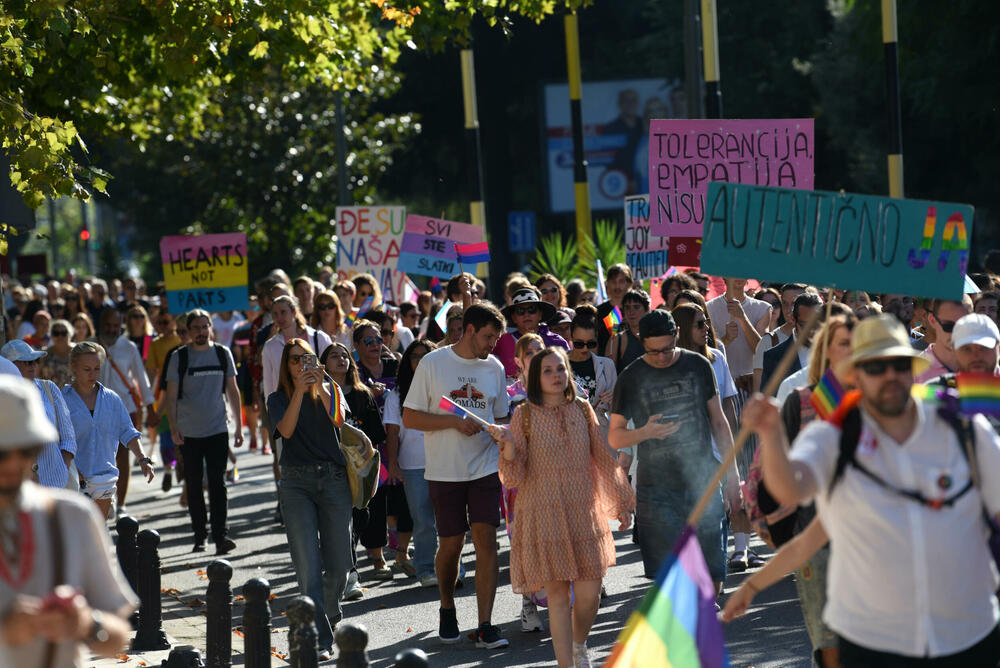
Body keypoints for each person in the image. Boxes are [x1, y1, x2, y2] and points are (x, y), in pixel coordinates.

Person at [745, 313, 1000, 664]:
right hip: (874, 638)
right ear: (857, 376)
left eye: (898, 364)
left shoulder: (966, 427)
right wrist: (771, 435)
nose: (890, 376)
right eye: (877, 367)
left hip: (967, 632)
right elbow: (791, 490)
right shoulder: (833, 435)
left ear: (912, 370)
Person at [488, 348, 635, 668]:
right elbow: (514, 474)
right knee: (556, 595)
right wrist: (508, 445)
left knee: (589, 595)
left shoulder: (582, 409)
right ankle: (567, 663)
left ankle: (578, 644)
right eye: (548, 371)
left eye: (560, 369)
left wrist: (621, 500)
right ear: (535, 379)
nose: (556, 376)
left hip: (583, 511)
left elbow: (602, 458)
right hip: (543, 512)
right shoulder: (523, 414)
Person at [0, 376, 137, 667]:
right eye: (2, 453)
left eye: (25, 450)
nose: (13, 463)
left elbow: (118, 638)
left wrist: (88, 623)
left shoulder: (72, 516)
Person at [607, 310, 741, 591]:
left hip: (701, 478)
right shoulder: (631, 377)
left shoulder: (698, 365)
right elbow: (616, 437)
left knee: (713, 576)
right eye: (653, 351)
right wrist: (646, 432)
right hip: (656, 487)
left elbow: (719, 421)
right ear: (642, 343)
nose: (662, 357)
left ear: (677, 335)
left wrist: (732, 477)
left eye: (668, 348)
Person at [403, 303, 511, 649]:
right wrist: (452, 421)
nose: (493, 344)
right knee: (451, 545)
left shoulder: (494, 367)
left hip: (485, 466)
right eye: (488, 336)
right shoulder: (434, 363)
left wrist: (502, 432)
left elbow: (502, 418)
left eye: (496, 337)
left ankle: (485, 624)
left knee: (487, 541)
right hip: (444, 470)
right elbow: (410, 418)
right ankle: (447, 607)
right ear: (469, 330)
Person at [267, 338, 352, 662]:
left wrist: (321, 387)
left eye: (308, 358)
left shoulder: (330, 387)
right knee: (308, 568)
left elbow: (339, 420)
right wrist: (301, 392)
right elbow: (286, 431)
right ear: (286, 367)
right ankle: (320, 639)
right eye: (295, 360)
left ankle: (327, 613)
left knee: (341, 566)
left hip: (333, 480)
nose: (302, 364)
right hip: (296, 483)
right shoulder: (278, 398)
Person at [164, 309, 243, 554]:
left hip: (217, 428)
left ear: (211, 328)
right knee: (194, 484)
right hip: (189, 432)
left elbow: (232, 390)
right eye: (195, 328)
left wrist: (239, 426)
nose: (200, 332)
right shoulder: (180, 357)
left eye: (204, 326)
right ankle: (200, 536)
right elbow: (171, 395)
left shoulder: (222, 353)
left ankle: (221, 536)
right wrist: (174, 427)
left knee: (219, 484)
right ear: (188, 332)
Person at [323, 341, 396, 583]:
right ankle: (349, 572)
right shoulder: (320, 395)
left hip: (361, 467)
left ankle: (377, 556)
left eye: (344, 355)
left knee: (366, 515)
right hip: (332, 467)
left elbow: (376, 434)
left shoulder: (362, 394)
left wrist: (366, 463)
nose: (341, 359)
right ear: (324, 364)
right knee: (341, 521)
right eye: (334, 356)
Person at [63, 342, 155, 518]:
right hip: (73, 479)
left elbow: (128, 431)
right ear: (74, 367)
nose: (93, 374)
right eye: (87, 369)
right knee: (79, 535)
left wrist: (143, 459)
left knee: (96, 531)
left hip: (104, 477)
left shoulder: (111, 399)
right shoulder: (62, 399)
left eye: (97, 369)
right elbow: (56, 439)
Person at [383, 339, 438, 587]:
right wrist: (392, 463)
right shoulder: (396, 394)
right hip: (413, 466)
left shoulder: (443, 386)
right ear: (407, 362)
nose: (420, 359)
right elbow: (392, 432)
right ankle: (426, 569)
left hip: (446, 461)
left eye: (426, 355)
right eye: (415, 356)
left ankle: (451, 568)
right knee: (423, 520)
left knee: (449, 519)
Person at [95, 307, 156, 516]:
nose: (112, 330)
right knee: (102, 455)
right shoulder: (91, 346)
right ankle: (104, 498)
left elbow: (141, 378)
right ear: (101, 325)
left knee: (123, 455)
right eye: (108, 326)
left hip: (125, 409)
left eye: (115, 326)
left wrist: (150, 406)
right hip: (96, 410)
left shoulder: (128, 347)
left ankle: (121, 503)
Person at [0, 340, 77, 490]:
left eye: (35, 361)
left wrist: (62, 470)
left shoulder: (49, 388)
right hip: (18, 484)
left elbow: (68, 436)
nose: (33, 365)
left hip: (56, 483)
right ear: (10, 365)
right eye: (27, 362)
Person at [707, 277, 773, 395]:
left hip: (749, 386)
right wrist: (726, 340)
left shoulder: (763, 308)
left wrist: (742, 318)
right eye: (733, 271)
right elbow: (707, 353)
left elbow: (761, 351)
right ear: (724, 276)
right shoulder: (709, 308)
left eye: (741, 271)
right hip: (720, 384)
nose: (738, 276)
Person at [262, 295, 332, 400]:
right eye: (275, 314)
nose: (279, 317)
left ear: (294, 312)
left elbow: (331, 371)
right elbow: (268, 382)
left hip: (319, 399)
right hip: (286, 402)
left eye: (283, 312)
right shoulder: (270, 346)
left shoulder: (320, 338)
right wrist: (272, 410)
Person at [494, 288, 569, 379]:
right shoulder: (500, 342)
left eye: (532, 309)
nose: (526, 314)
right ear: (514, 318)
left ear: (540, 314)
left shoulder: (558, 342)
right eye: (520, 311)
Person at [760, 293, 823, 395]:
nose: (812, 331)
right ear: (793, 320)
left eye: (817, 325)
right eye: (806, 326)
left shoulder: (833, 354)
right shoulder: (773, 357)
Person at [752, 283, 806, 393]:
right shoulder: (768, 342)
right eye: (785, 303)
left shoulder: (819, 341)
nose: (789, 309)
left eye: (795, 303)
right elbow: (758, 393)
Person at [916, 295, 974, 382]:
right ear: (932, 320)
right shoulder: (915, 370)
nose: (956, 333)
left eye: (963, 325)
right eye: (949, 326)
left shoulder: (983, 365)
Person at [605, 288, 651, 372]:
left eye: (636, 307)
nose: (631, 312)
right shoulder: (616, 340)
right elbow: (609, 376)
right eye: (627, 307)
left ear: (647, 310)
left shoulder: (657, 336)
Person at [595, 263, 634, 353]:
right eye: (613, 282)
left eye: (621, 281)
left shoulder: (637, 309)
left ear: (630, 283)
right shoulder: (599, 312)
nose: (617, 286)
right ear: (607, 283)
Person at [40, 319, 74, 388]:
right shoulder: (44, 354)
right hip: (50, 395)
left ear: (70, 334)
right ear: (51, 335)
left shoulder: (78, 353)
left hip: (73, 394)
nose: (60, 336)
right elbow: (38, 375)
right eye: (56, 333)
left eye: (63, 333)